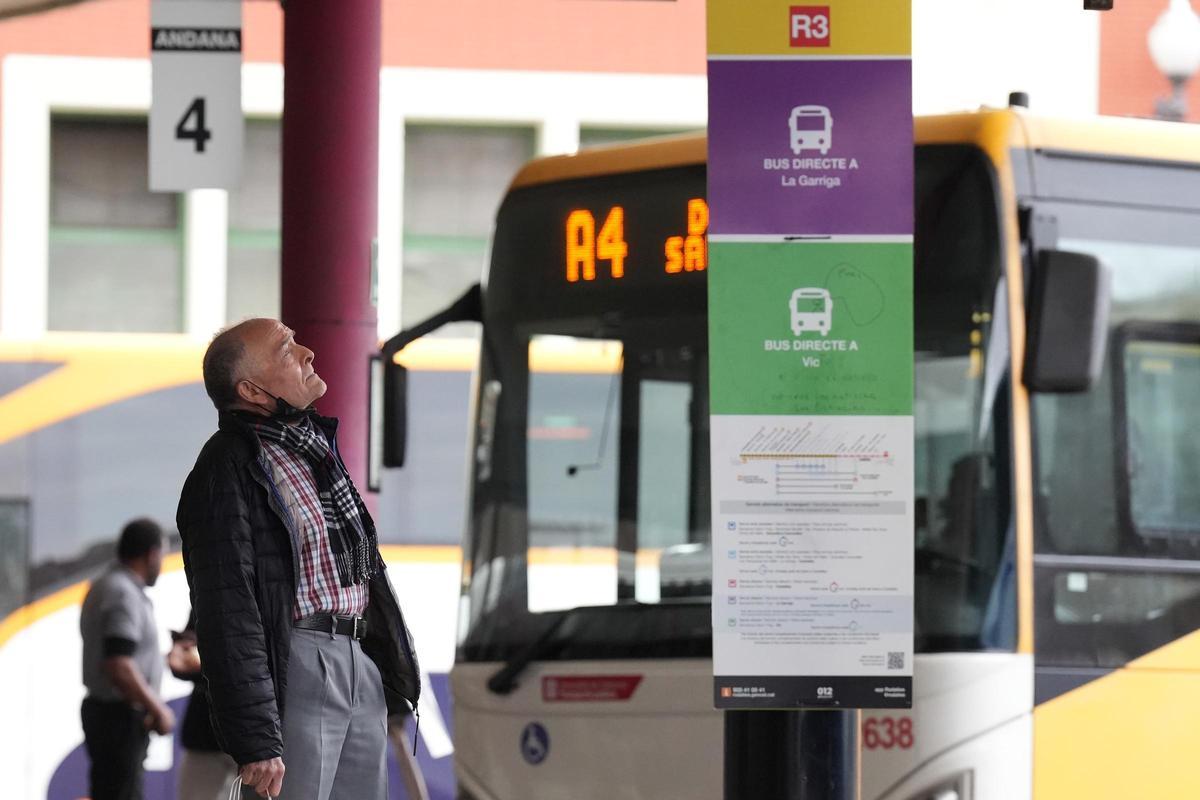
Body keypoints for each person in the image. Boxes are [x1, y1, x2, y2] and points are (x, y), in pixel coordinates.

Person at [177, 318, 420, 800]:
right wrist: (256, 739)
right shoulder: (225, 467)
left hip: (356, 656)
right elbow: (228, 611)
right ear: (253, 391)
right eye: (287, 350)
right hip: (299, 662)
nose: (307, 352)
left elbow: (366, 576)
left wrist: (386, 669)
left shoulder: (315, 453)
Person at [79, 517, 174, 800]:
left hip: (110, 716)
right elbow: (119, 664)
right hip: (119, 718)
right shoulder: (123, 593)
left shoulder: (107, 585)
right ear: (152, 554)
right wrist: (157, 708)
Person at [168, 610, 238, 800]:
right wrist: (183, 652)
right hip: (207, 732)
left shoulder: (277, 591)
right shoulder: (206, 587)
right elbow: (185, 660)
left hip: (265, 735)